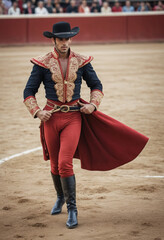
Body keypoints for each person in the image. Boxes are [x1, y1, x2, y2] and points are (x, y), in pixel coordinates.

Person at [23, 21, 148, 229]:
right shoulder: (42, 63)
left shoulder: (82, 61)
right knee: (54, 164)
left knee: (64, 163)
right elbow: (28, 91)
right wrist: (37, 111)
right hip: (51, 118)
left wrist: (93, 104)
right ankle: (60, 198)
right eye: (60, 39)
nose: (64, 43)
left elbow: (96, 85)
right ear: (54, 40)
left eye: (67, 39)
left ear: (71, 39)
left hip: (73, 117)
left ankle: (72, 209)